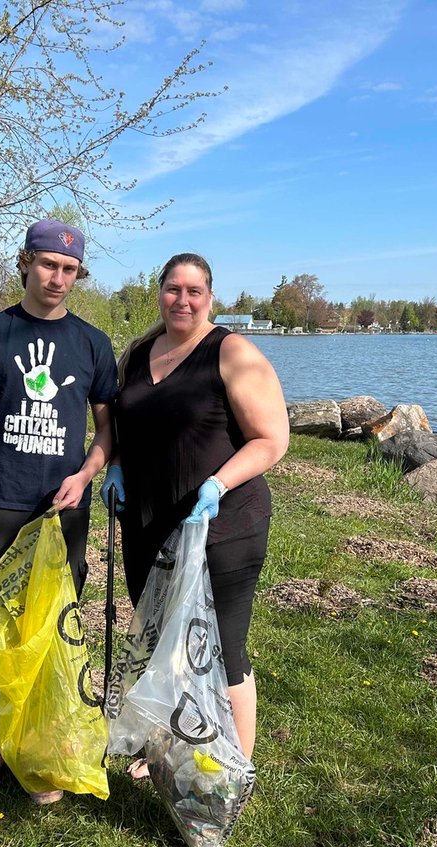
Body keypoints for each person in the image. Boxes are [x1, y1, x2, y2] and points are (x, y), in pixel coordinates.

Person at [0, 218, 117, 804]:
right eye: (49, 265)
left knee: (52, 631)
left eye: (70, 270)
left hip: (61, 514)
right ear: (26, 263)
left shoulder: (93, 344)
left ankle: (43, 742)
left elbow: (104, 435)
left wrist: (86, 474)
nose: (59, 278)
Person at [103, 252, 289, 774]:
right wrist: (114, 465)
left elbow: (273, 439)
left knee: (223, 647)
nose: (182, 300)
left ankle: (233, 767)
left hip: (221, 525)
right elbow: (126, 424)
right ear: (159, 292)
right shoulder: (139, 352)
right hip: (145, 524)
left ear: (210, 297)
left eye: (194, 291)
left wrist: (219, 483)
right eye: (172, 289)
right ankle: (170, 744)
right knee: (163, 639)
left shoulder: (232, 352)